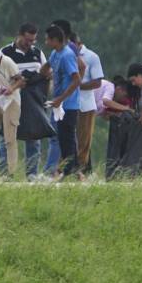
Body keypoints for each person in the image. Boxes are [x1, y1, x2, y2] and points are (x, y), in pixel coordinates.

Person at [0, 23, 51, 179]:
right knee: (8, 137)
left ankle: (31, 174)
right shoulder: (5, 52)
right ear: (19, 35)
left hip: (34, 101)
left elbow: (46, 74)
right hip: (11, 100)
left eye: (33, 40)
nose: (30, 43)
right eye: (27, 40)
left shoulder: (37, 53)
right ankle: (5, 173)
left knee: (33, 137)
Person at [43, 25, 81, 177]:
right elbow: (47, 66)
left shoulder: (67, 55)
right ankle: (74, 172)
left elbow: (77, 80)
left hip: (69, 104)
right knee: (64, 138)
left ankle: (69, 172)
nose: (46, 42)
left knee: (67, 139)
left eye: (48, 40)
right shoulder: (55, 53)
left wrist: (61, 99)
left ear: (55, 40)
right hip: (59, 104)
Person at [73, 33, 104, 174]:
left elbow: (97, 82)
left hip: (85, 104)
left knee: (83, 141)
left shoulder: (92, 57)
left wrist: (76, 86)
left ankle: (80, 170)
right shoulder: (65, 55)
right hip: (68, 104)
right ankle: (66, 168)